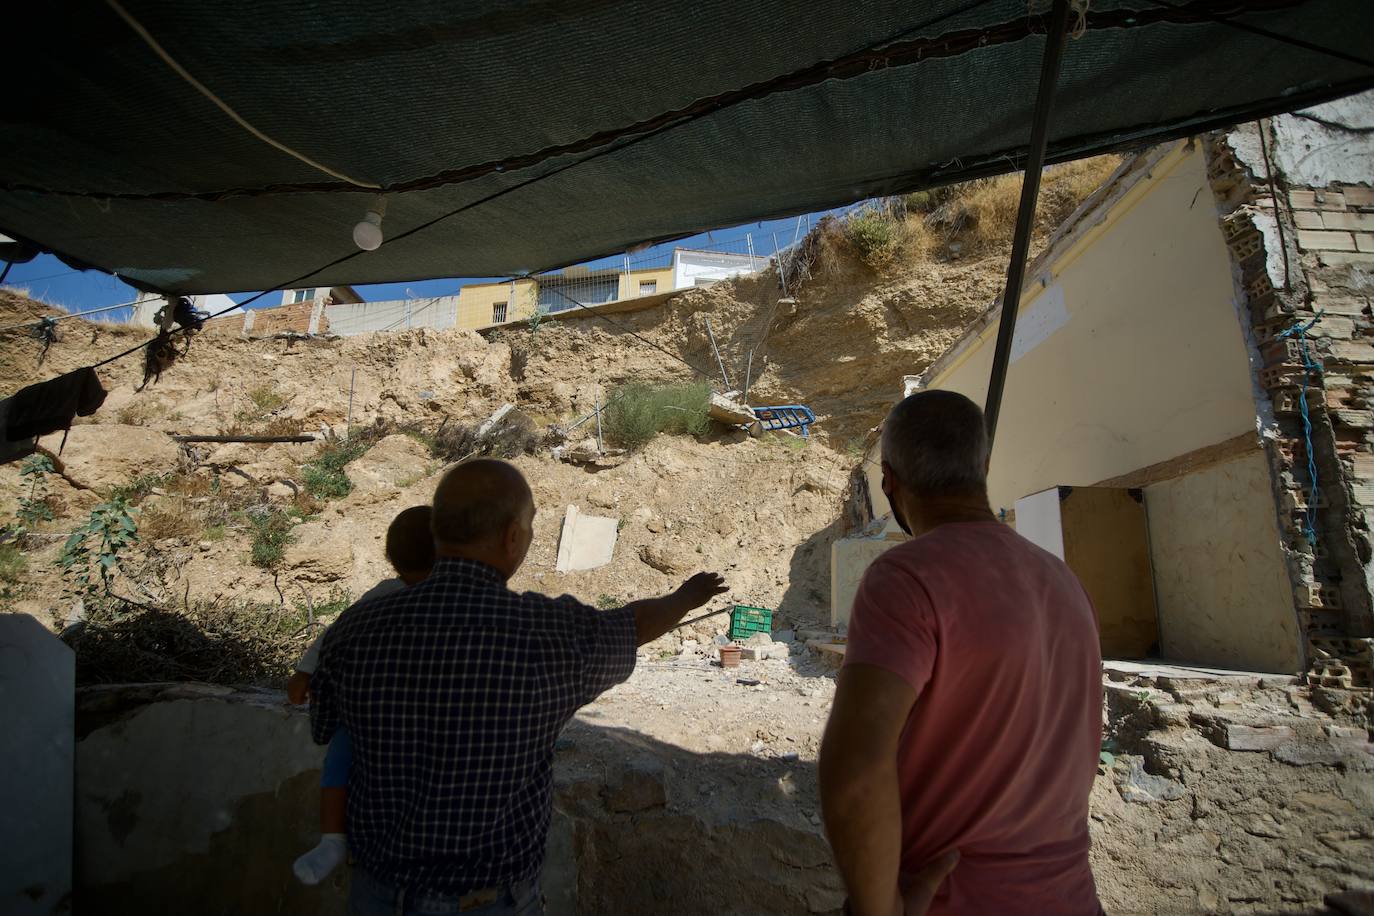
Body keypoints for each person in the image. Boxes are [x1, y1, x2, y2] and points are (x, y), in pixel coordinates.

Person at [310, 458, 727, 915]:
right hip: (490, 901)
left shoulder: (356, 629)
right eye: (528, 528)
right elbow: (634, 625)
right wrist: (687, 596)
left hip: (376, 895)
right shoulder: (548, 633)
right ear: (511, 536)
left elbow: (325, 725)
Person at [819, 390, 1103, 916]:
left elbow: (857, 767)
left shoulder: (905, 577)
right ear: (984, 467)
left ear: (889, 483)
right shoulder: (1063, 580)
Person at [288, 504, 437, 886]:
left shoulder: (413, 596)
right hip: (385, 707)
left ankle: (333, 837)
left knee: (340, 758)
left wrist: (305, 672)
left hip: (395, 708)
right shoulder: (391, 596)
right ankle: (333, 841)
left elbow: (332, 635)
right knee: (343, 752)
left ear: (390, 556)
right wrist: (306, 671)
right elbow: (335, 635)